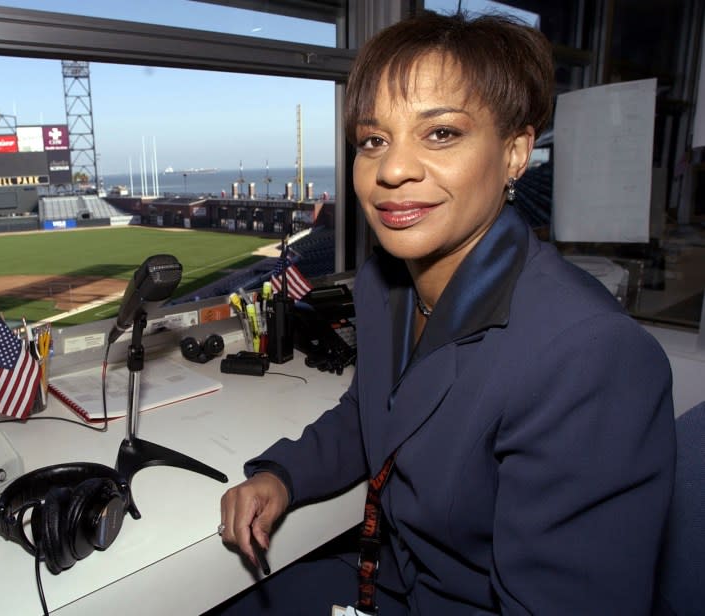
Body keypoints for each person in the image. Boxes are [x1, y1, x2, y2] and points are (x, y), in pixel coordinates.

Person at [216, 11, 676, 615]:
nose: (392, 169)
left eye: (441, 134)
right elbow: (373, 414)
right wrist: (282, 475)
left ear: (515, 153)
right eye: (373, 140)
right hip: (386, 582)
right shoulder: (387, 287)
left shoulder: (591, 358)